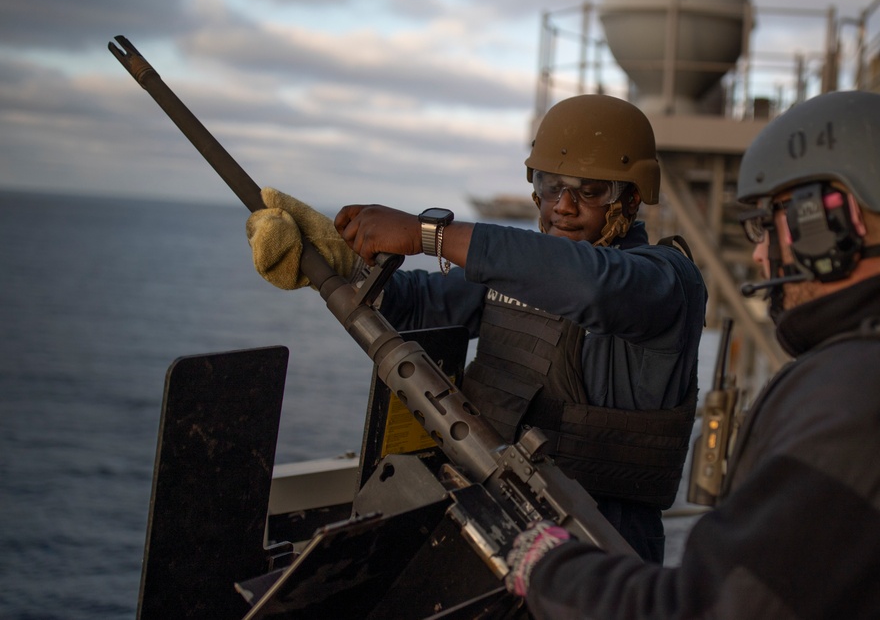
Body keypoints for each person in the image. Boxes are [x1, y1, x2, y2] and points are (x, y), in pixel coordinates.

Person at [500, 89, 880, 618]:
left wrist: (550, 567)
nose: (759, 253)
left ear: (831, 218)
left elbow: (715, 609)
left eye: (768, 224)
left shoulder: (872, 392)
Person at [245, 93, 708, 563]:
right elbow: (416, 301)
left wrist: (431, 235)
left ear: (629, 198)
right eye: (551, 187)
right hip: (495, 523)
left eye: (590, 192)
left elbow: (593, 286)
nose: (564, 207)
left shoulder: (666, 282)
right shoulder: (521, 270)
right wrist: (340, 263)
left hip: (603, 551)